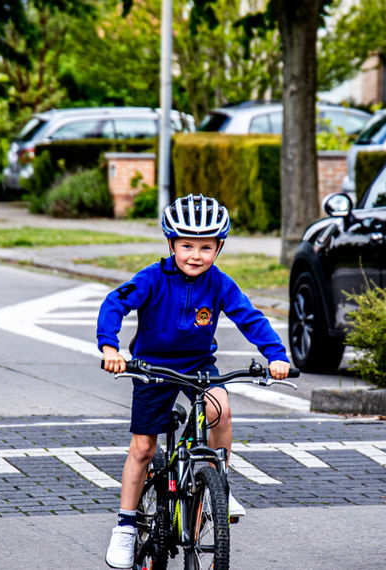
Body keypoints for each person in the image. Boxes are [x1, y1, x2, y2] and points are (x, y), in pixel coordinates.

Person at [97, 194, 291, 568]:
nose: (195, 255)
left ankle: (220, 484)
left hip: (199, 364)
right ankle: (124, 525)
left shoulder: (219, 284)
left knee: (222, 410)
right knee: (143, 447)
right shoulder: (152, 278)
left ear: (219, 248)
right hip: (152, 366)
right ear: (171, 244)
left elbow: (250, 318)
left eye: (206, 247)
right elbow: (114, 303)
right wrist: (110, 347)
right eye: (186, 245)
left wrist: (277, 356)